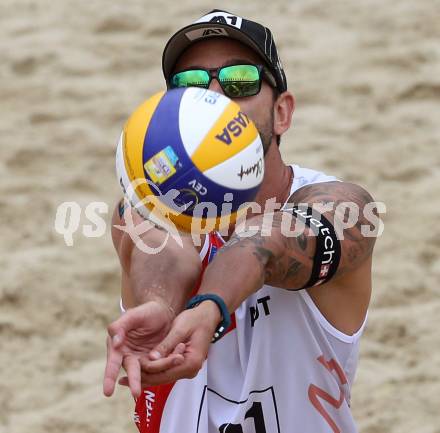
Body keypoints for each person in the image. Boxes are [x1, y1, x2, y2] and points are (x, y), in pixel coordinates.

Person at [103, 9, 380, 433]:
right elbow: (162, 247)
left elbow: (269, 240)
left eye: (239, 81)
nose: (213, 97)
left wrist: (210, 306)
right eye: (190, 84)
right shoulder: (148, 207)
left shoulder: (344, 206)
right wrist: (160, 303)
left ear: (283, 112)